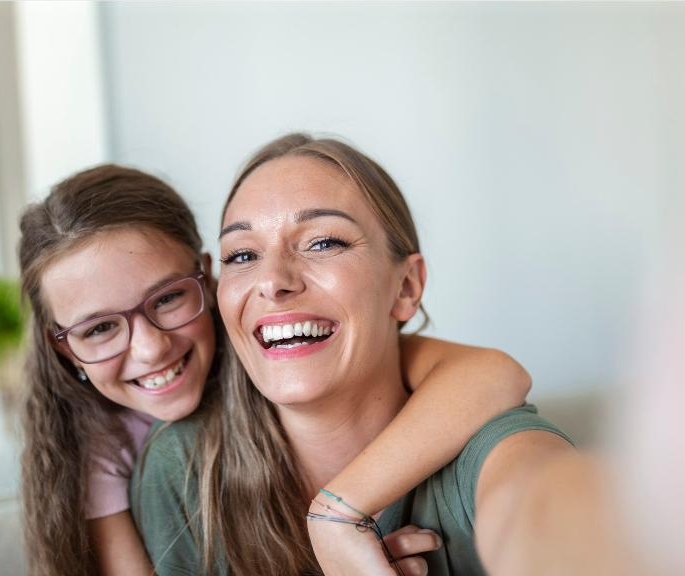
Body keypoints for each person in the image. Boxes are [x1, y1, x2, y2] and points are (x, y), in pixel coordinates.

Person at [134, 134, 634, 575]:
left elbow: (550, 510)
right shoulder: (186, 464)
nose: (272, 281)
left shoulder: (488, 448)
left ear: (406, 287)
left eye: (324, 242)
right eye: (242, 255)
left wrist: (335, 514)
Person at [16, 164, 538, 575]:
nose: (151, 349)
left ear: (207, 276)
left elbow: (494, 373)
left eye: (170, 298)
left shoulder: (295, 343)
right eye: (99, 329)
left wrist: (337, 513)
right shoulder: (122, 455)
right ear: (62, 347)